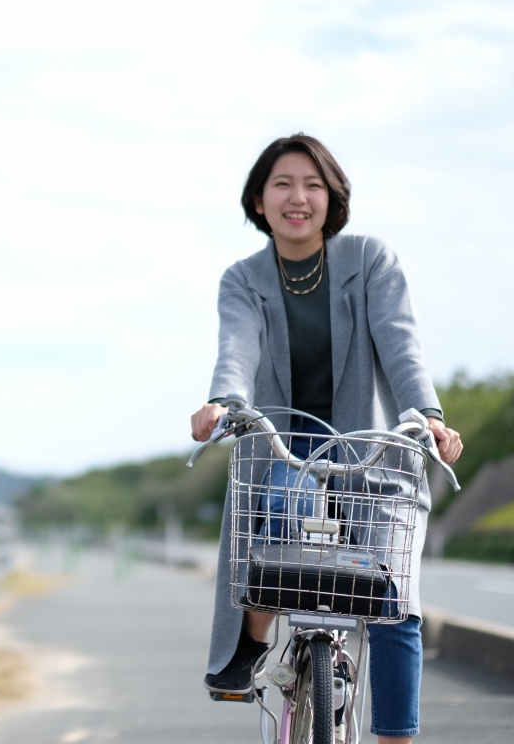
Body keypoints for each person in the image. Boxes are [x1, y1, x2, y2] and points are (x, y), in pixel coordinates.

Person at [190, 134, 463, 744]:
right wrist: (221, 402)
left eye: (313, 185)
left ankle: (395, 735)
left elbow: (401, 343)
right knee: (283, 505)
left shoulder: (370, 260)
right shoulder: (244, 279)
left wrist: (428, 414)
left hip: (370, 452)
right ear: (259, 200)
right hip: (286, 446)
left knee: (395, 593)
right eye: (283, 184)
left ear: (332, 197)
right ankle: (254, 643)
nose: (298, 198)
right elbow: (236, 350)